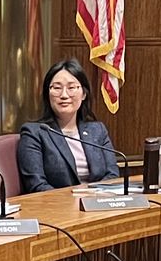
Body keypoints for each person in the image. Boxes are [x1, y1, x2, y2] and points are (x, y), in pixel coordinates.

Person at [16, 59, 120, 193]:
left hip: (98, 204)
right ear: (48, 95)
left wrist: (91, 196)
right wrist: (74, 198)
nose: (64, 95)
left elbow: (113, 175)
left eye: (71, 88)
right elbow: (37, 186)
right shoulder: (34, 133)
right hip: (57, 208)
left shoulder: (97, 130)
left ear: (83, 94)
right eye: (57, 88)